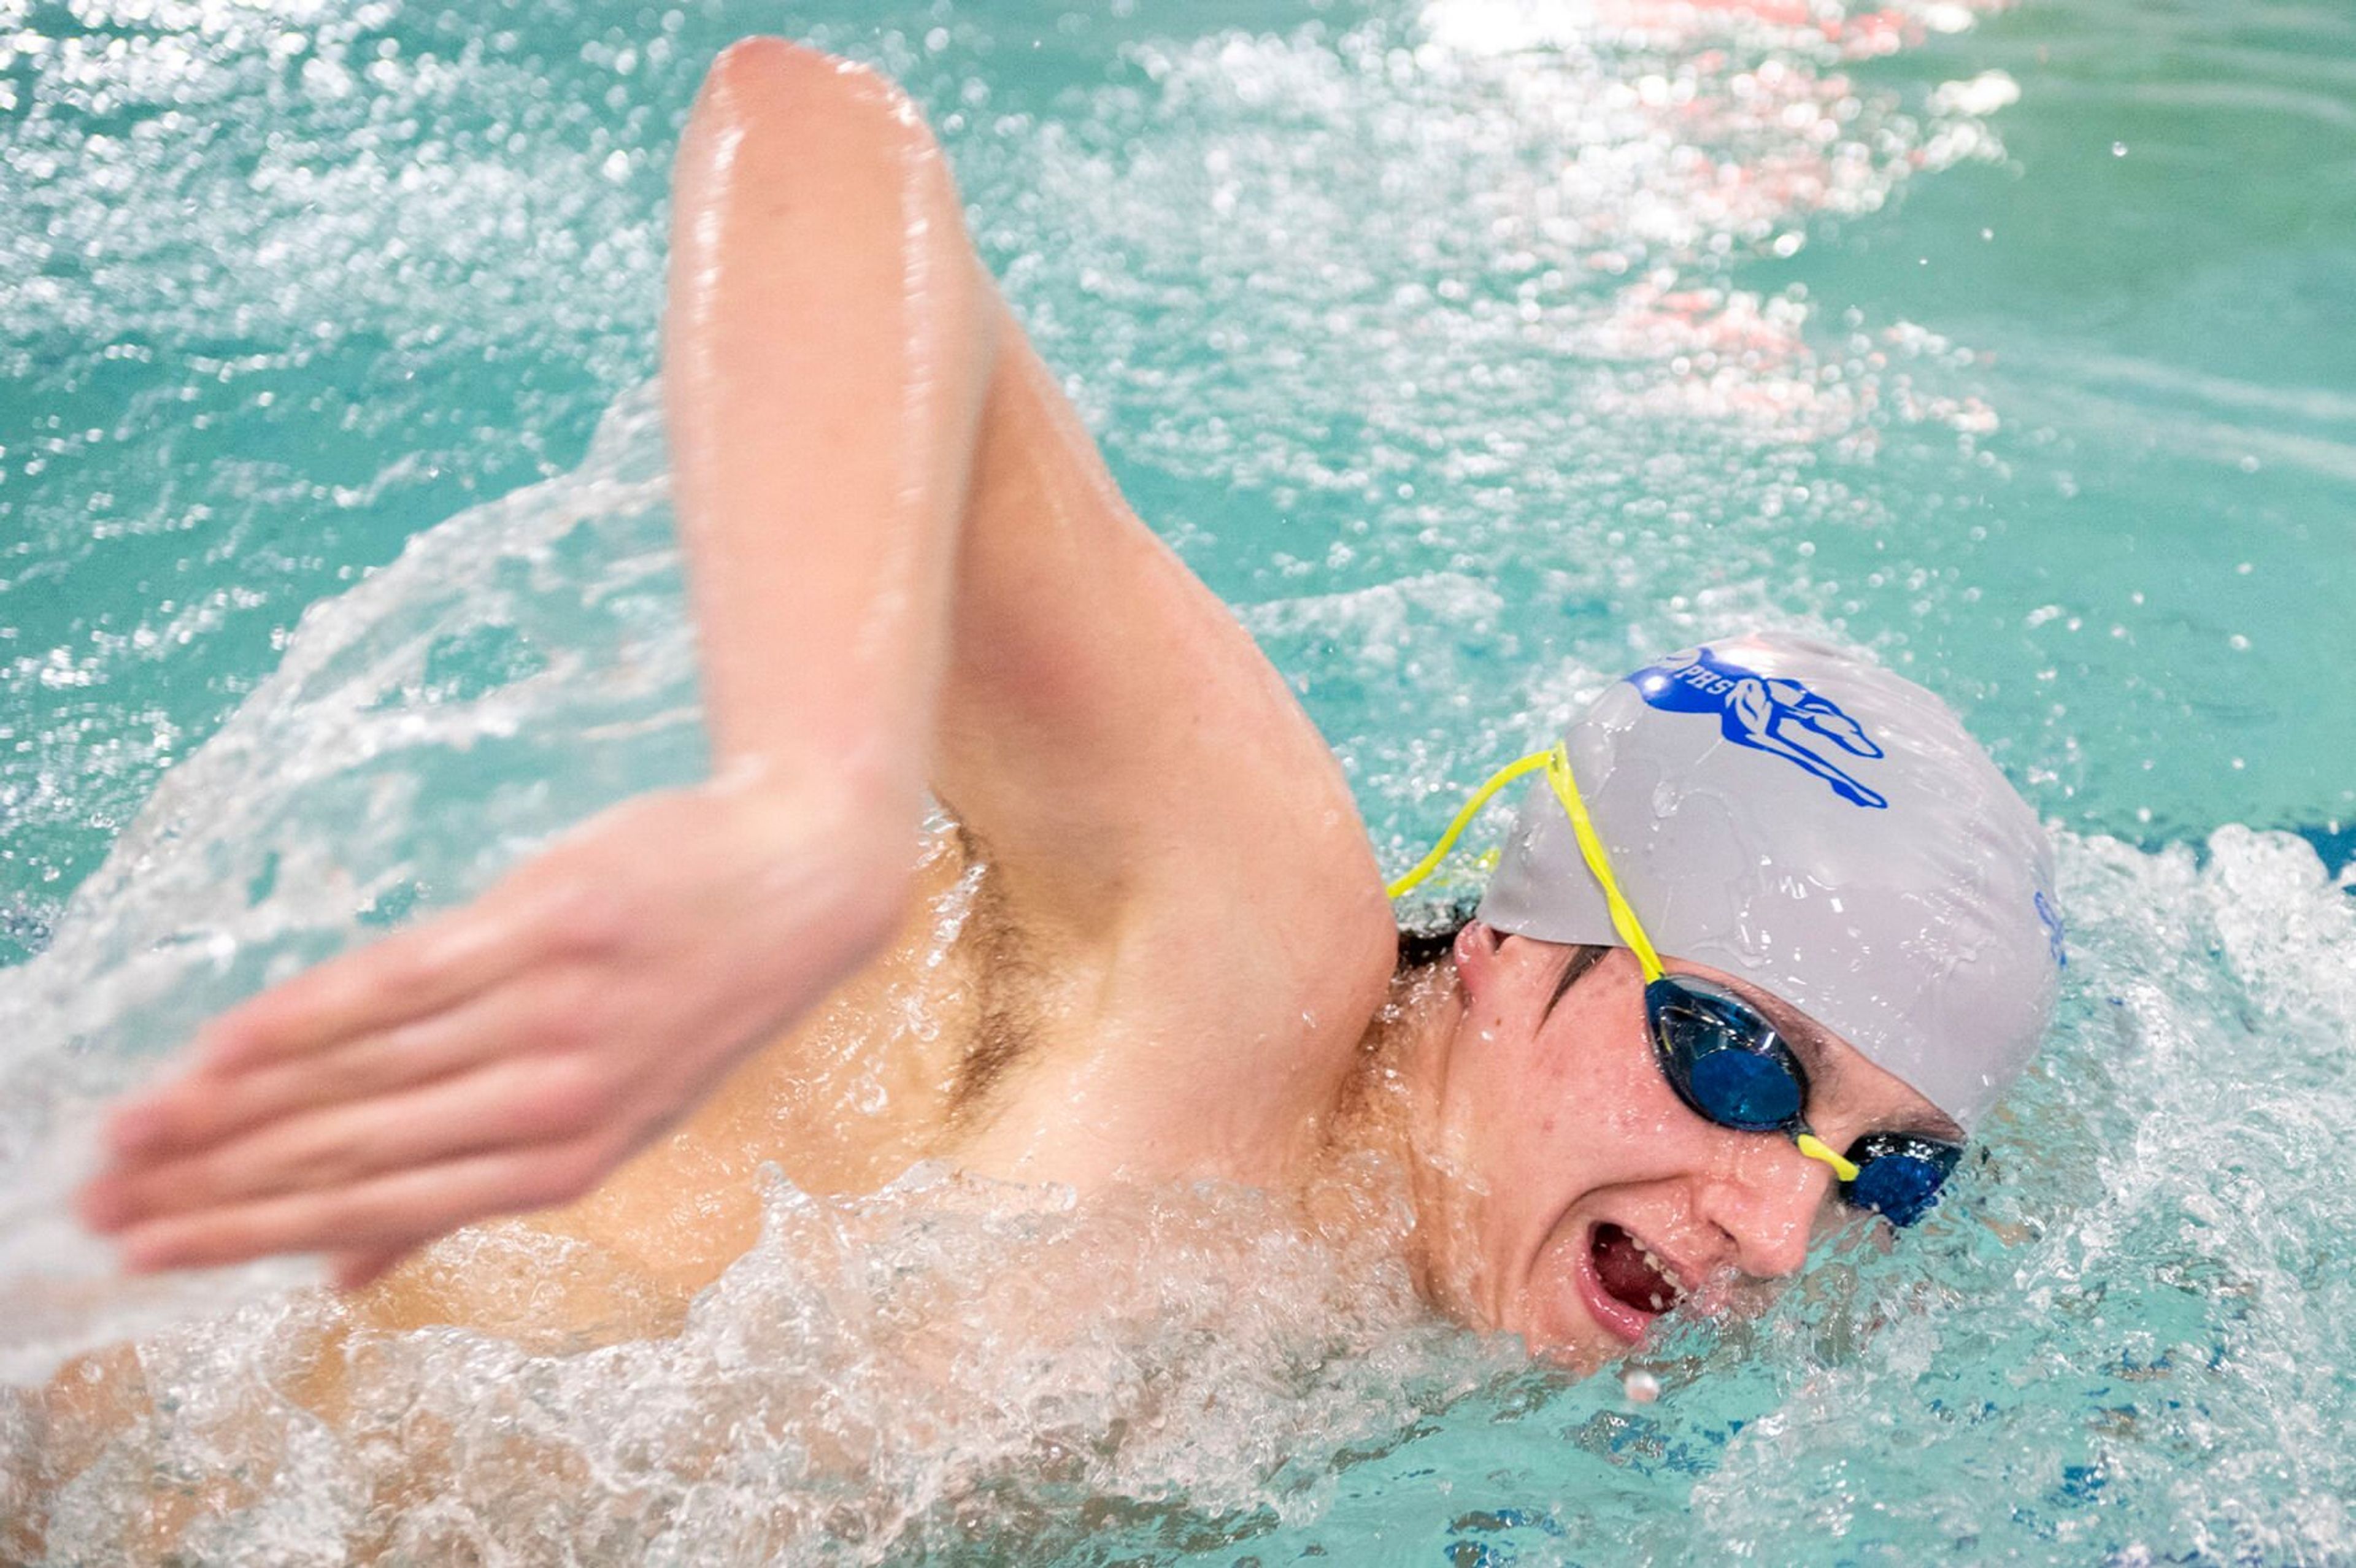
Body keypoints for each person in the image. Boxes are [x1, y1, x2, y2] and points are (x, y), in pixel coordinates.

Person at [70, 37, 2061, 1374]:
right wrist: (811, 796)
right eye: (1735, 1058)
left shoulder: (1406, 1296)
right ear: (1506, 948)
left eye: (1884, 1164)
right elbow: (817, 137)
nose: (1776, 1233)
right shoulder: (1245, 942)